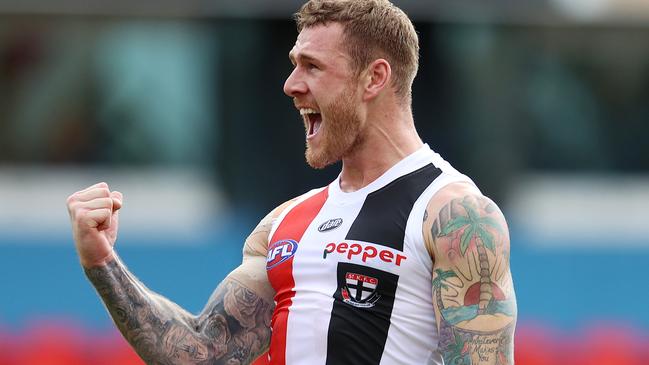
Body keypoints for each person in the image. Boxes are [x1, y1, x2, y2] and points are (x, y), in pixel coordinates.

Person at [66, 1, 517, 364]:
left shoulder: (456, 216)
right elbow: (202, 352)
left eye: (312, 67)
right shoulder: (285, 222)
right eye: (293, 65)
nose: (290, 85)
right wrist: (102, 263)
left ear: (375, 78)